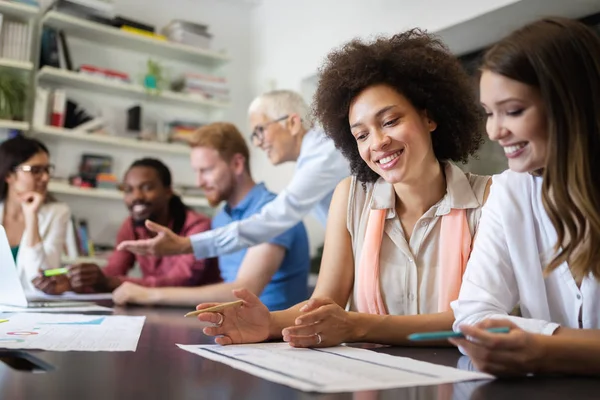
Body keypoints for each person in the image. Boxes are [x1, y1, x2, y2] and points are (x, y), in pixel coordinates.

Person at [195, 29, 491, 347]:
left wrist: (358, 326)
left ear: (429, 116)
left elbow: (474, 320)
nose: (378, 143)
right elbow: (325, 304)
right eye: (361, 135)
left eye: (390, 121)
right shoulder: (350, 197)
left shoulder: (488, 199)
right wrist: (268, 323)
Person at [450, 17, 600, 376]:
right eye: (489, 113)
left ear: (570, 105)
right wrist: (550, 347)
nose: (495, 130)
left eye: (513, 111)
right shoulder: (509, 191)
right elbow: (472, 314)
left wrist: (548, 349)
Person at [116, 90, 350, 260]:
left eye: (260, 131)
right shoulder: (314, 157)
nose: (258, 143)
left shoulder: (323, 154)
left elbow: (276, 216)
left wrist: (187, 245)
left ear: (292, 123)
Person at [112, 123, 310, 311]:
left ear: (237, 164)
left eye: (206, 170)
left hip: (276, 337)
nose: (199, 182)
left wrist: (148, 294)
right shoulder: (221, 219)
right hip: (237, 330)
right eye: (196, 172)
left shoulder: (274, 212)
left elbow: (244, 292)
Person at [33, 158, 221, 294]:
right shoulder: (131, 226)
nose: (136, 196)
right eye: (128, 190)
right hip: (157, 307)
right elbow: (113, 270)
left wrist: (107, 282)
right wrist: (73, 282)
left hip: (199, 315)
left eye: (147, 187)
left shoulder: (198, 226)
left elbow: (179, 282)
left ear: (168, 191)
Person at [0, 135, 70, 291]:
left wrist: (32, 217)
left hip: (30, 308)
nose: (45, 177)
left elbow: (43, 279)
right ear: (9, 175)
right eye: (35, 170)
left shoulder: (58, 213)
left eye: (47, 169)